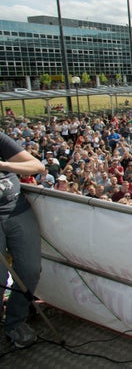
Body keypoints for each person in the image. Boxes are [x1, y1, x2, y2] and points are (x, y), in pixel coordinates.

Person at [0, 131, 45, 348]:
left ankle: (15, 322)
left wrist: (3, 165)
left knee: (30, 269)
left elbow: (36, 166)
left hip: (16, 210)